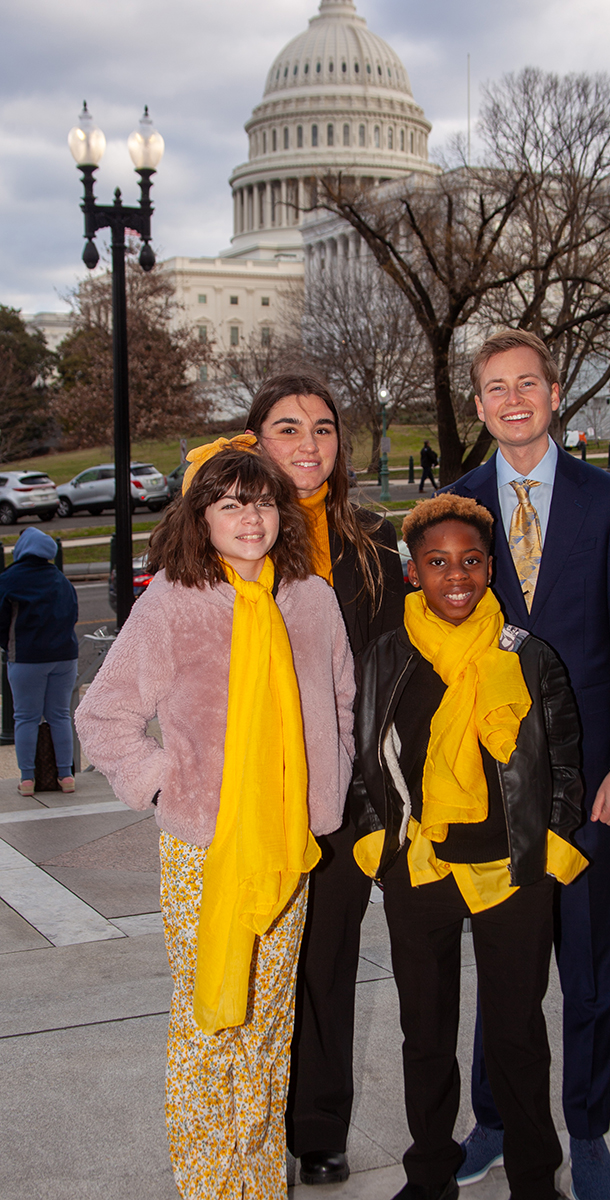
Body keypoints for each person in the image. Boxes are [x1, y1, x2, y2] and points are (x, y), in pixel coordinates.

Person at [75, 439, 356, 1199]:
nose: (250, 516)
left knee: (268, 1024)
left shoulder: (312, 597)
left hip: (288, 841)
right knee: (211, 1021)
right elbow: (102, 717)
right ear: (200, 516)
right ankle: (209, 1185)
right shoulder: (173, 603)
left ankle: (259, 1183)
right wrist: (168, 787)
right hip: (208, 850)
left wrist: (327, 783)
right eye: (230, 503)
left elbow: (338, 703)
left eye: (262, 500)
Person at [447, 330, 610, 1200]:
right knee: (504, 969)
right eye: (495, 386)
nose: (512, 398)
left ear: (555, 392)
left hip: (590, 782)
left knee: (590, 965)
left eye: (526, 382)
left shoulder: (606, 499)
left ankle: (589, 1127)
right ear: (479, 405)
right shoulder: (458, 505)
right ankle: (494, 1120)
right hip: (495, 785)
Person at [350, 494, 588, 1200]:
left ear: (490, 568)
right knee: (424, 1034)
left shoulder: (527, 653)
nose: (457, 575)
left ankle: (535, 1180)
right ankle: (429, 1174)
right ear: (414, 572)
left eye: (471, 561)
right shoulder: (387, 654)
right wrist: (377, 843)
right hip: (418, 867)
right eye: (438, 562)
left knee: (517, 1034)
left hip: (513, 871)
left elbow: (566, 758)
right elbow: (364, 756)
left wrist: (550, 836)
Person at [244, 372, 406, 1186]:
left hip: (344, 795)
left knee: (329, 963)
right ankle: (254, 1117)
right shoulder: (232, 534)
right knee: (262, 963)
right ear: (256, 440)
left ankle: (319, 1127)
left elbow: (386, 672)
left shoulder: (371, 541)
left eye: (322, 429)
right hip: (252, 797)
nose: (309, 445)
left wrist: (374, 791)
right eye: (287, 428)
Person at [0, 527, 79, 795]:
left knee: (25, 717)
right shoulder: (60, 579)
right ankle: (66, 776)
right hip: (65, 657)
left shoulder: (10, 579)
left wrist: (8, 646)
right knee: (60, 716)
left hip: (27, 658)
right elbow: (73, 614)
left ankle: (27, 779)